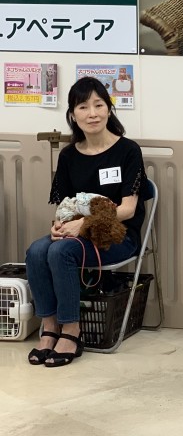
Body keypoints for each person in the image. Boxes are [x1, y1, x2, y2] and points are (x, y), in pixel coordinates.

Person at [25, 77, 146, 368]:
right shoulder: (68, 155)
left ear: (109, 109)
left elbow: (128, 210)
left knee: (60, 252)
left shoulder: (128, 151)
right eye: (83, 106)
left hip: (117, 237)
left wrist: (86, 224)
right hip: (76, 232)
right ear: (72, 115)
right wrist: (58, 225)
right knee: (36, 250)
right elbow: (64, 206)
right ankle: (50, 326)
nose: (92, 113)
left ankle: (72, 330)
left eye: (99, 105)